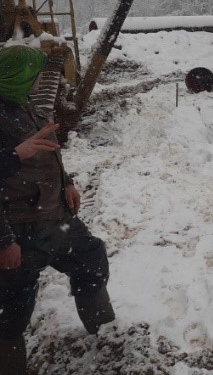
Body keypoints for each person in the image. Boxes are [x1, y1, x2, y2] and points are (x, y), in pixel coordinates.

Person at [0, 45, 115, 373]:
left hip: (53, 219)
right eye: (35, 74)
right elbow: (19, 155)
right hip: (17, 229)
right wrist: (3, 242)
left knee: (90, 259)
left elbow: (45, 148)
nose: (41, 81)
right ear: (17, 76)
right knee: (11, 310)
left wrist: (66, 181)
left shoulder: (25, 105)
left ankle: (105, 337)